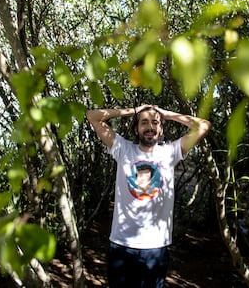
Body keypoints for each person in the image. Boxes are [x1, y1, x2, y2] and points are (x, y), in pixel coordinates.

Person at [86, 104, 211, 288]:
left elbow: (203, 125)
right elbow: (93, 116)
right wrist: (133, 111)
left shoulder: (170, 152)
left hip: (155, 247)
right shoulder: (123, 149)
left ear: (161, 130)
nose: (150, 127)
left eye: (155, 123)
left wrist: (167, 114)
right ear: (136, 129)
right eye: (144, 122)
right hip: (122, 244)